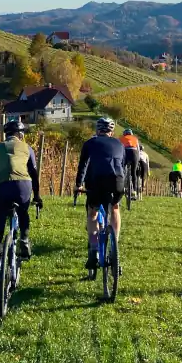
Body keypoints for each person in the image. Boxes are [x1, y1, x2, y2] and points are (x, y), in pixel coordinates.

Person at [0, 119, 42, 287]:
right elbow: (33, 173)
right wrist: (37, 196)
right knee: (23, 212)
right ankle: (24, 240)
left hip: (1, 187)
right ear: (20, 135)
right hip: (22, 186)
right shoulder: (27, 148)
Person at [75, 116, 126, 271]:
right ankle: (114, 247)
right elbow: (122, 164)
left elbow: (83, 165)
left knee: (92, 213)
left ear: (97, 130)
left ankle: (94, 249)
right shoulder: (119, 144)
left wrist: (78, 185)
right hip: (117, 180)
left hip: (96, 180)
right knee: (115, 207)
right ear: (111, 132)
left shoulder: (90, 143)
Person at [119, 125, 140, 195]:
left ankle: (121, 186)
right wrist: (138, 158)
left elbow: (119, 149)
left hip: (126, 152)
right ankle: (134, 190)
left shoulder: (121, 138)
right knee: (133, 172)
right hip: (135, 153)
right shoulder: (135, 139)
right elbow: (138, 149)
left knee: (122, 169)